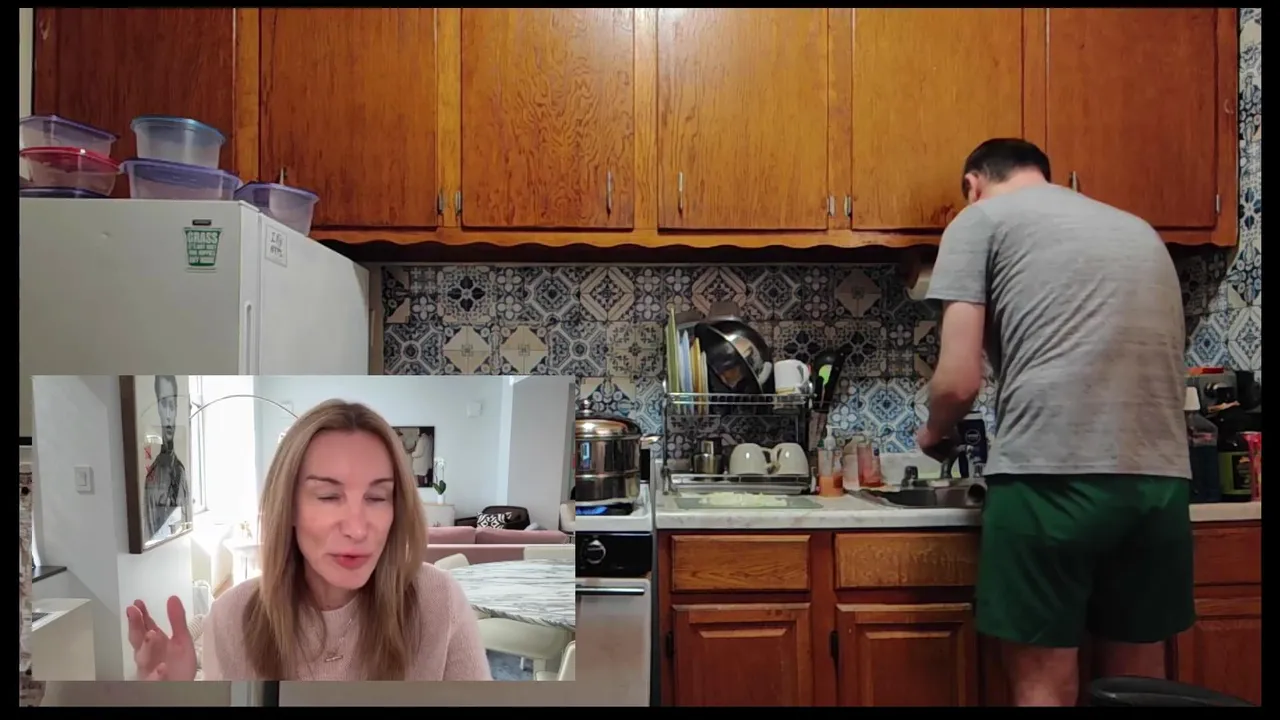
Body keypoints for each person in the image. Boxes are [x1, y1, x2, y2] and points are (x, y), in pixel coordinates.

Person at [916, 138, 1193, 706]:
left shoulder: (979, 220)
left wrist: (933, 431)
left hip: (1049, 478)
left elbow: (958, 382)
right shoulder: (1139, 229)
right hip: (1159, 482)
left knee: (1044, 686)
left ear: (972, 184)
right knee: (1139, 689)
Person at [125, 400, 492, 681]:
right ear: (289, 507)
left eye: (377, 497)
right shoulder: (232, 619)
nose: (357, 529)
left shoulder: (439, 602)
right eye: (329, 497)